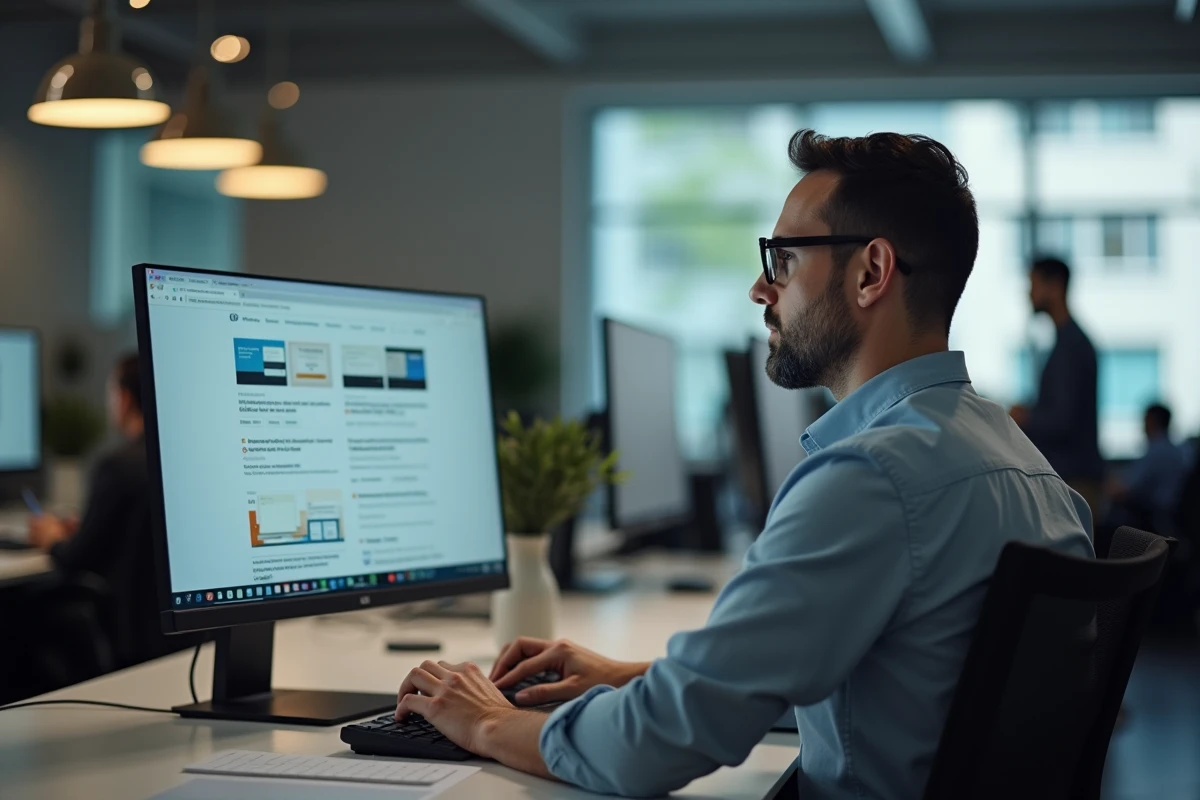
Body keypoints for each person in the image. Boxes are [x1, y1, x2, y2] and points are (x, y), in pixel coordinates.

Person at [387, 131, 1094, 799]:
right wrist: (654, 677)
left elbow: (651, 748)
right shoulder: (1025, 468)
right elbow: (907, 689)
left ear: (871, 272)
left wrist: (484, 719)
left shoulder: (873, 478)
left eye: (781, 260)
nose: (761, 291)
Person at [27, 353, 169, 666]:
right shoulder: (173, 456)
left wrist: (51, 538)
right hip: (168, 633)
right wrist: (88, 526)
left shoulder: (117, 465)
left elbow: (78, 558)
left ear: (124, 398)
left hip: (126, 628)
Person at [1010, 257, 1105, 521]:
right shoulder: (1068, 342)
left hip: (1075, 481)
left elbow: (1062, 420)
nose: (1029, 293)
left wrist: (1023, 417)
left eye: (1034, 284)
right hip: (1074, 478)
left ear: (1055, 286)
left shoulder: (1071, 347)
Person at [1106, 403, 1190, 529]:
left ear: (1152, 421)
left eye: (1145, 420)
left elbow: (1124, 490)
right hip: (1172, 517)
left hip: (1153, 518)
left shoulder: (1155, 452)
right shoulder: (1178, 451)